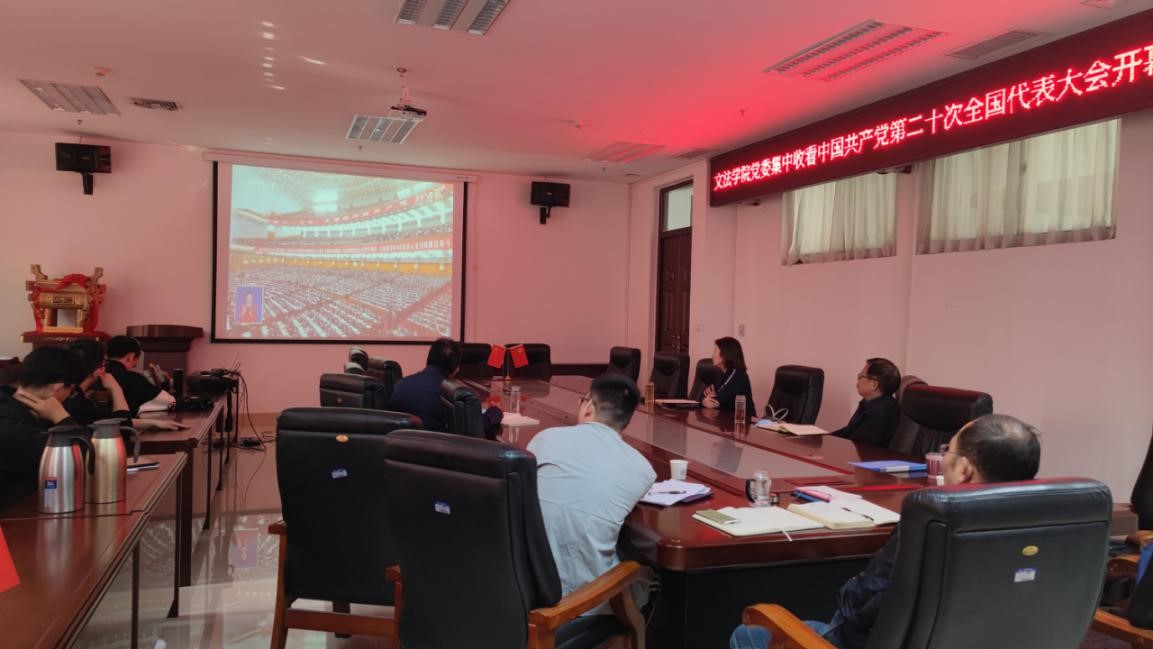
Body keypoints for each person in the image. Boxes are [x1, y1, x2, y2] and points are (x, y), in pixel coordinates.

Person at [730, 413, 1043, 649]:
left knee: (750, 634)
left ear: (964, 469)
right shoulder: (1050, 523)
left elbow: (855, 607)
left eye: (948, 451)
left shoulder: (931, 521)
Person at [527, 374, 657, 602]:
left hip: (527, 588)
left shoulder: (545, 439)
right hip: (585, 598)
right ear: (628, 420)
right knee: (650, 576)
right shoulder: (643, 469)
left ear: (588, 407)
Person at [0, 346, 85, 509]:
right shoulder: (14, 427)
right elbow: (83, 460)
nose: (69, 396)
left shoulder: (12, 405)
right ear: (57, 387)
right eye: (71, 390)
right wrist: (61, 417)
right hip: (14, 517)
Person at [387, 338, 501, 436]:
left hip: (401, 449)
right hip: (439, 451)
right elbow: (474, 428)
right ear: (456, 369)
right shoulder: (451, 395)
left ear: (428, 360)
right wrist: (495, 411)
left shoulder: (401, 384)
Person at [831, 358, 901, 447]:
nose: (858, 380)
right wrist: (825, 437)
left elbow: (859, 445)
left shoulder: (881, 412)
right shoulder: (870, 402)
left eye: (861, 376)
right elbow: (849, 431)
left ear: (874, 384)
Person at [104, 335, 175, 416]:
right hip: (128, 422)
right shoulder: (131, 378)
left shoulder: (98, 374)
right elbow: (170, 402)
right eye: (135, 363)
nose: (135, 366)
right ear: (130, 357)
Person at [702, 337, 755, 414]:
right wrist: (705, 400)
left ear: (725, 354)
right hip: (727, 418)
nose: (712, 355)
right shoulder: (723, 374)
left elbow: (716, 401)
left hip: (744, 420)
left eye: (715, 351)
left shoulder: (738, 375)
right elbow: (705, 395)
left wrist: (707, 400)